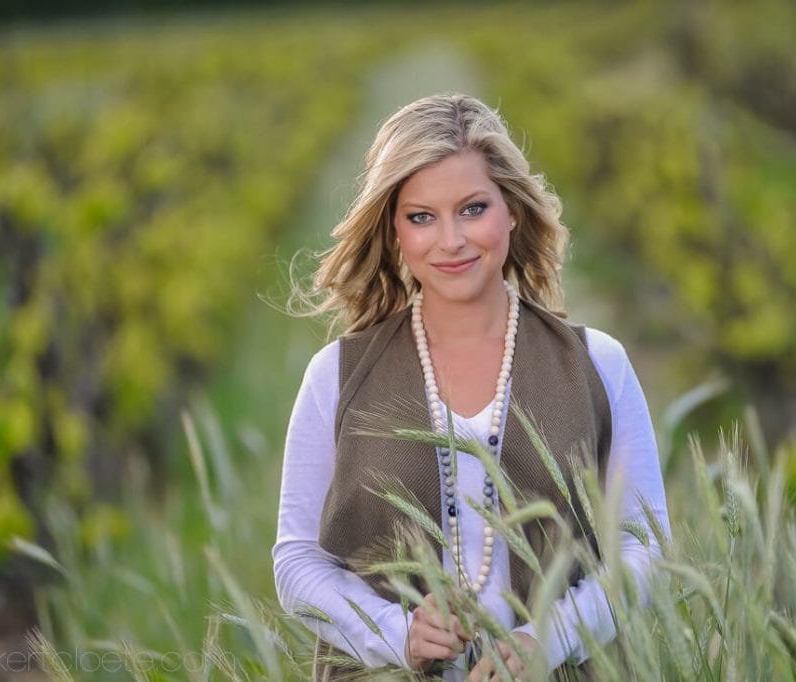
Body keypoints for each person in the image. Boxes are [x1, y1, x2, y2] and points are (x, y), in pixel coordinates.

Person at [272, 93, 669, 680]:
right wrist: (395, 634)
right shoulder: (335, 376)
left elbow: (644, 550)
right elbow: (296, 561)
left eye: (473, 208)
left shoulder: (597, 364)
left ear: (511, 209)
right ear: (394, 231)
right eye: (421, 217)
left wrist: (552, 640)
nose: (451, 240)